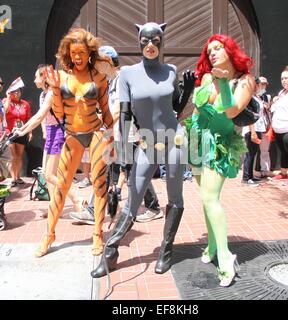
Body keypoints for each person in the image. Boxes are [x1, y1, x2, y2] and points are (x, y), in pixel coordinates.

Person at [91, 22, 195, 278]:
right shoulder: (127, 75)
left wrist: (188, 90)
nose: (150, 45)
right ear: (139, 42)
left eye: (155, 40)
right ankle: (110, 252)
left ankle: (166, 251)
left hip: (174, 139)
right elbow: (125, 115)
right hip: (147, 143)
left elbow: (176, 109)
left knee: (175, 197)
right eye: (145, 40)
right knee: (133, 197)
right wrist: (124, 152)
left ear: (161, 42)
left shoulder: (171, 70)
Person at [34, 27, 114, 258]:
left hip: (97, 132)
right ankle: (49, 234)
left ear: (89, 52)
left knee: (99, 185)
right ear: (68, 53)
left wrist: (114, 142)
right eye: (74, 52)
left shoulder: (99, 78)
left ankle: (98, 234)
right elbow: (59, 113)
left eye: (82, 52)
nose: (78, 57)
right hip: (73, 134)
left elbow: (107, 112)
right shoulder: (62, 78)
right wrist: (56, 89)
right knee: (61, 186)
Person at [186, 34, 255, 286]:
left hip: (221, 144)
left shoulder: (245, 80)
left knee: (209, 197)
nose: (212, 52)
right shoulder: (206, 77)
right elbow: (196, 108)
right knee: (205, 198)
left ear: (230, 51)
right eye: (209, 50)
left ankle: (226, 258)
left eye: (218, 48)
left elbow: (232, 110)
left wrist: (224, 82)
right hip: (197, 140)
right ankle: (212, 246)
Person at [70, 45, 164, 224]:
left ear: (108, 62)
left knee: (130, 171)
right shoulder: (108, 82)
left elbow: (120, 108)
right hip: (116, 134)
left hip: (129, 134)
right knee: (116, 170)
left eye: (97, 62)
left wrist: (101, 124)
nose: (94, 66)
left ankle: (152, 207)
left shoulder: (122, 78)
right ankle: (95, 210)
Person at [13, 65, 83, 215]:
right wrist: (24, 130)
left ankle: (77, 198)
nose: (33, 80)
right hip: (51, 133)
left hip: (58, 133)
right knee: (46, 174)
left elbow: (39, 116)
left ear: (44, 77)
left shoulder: (52, 93)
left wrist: (22, 131)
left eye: (36, 77)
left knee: (52, 175)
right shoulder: (43, 95)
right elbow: (42, 118)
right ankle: (54, 206)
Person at [2, 77, 32, 187]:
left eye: (18, 91)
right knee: (12, 155)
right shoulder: (6, 101)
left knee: (19, 155)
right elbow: (4, 112)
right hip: (9, 132)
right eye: (14, 91)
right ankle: (13, 178)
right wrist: (8, 97)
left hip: (21, 132)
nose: (16, 93)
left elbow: (29, 118)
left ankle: (18, 176)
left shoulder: (25, 104)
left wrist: (30, 132)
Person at [253, 76, 273, 179]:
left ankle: (265, 170)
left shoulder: (267, 97)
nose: (263, 86)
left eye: (265, 84)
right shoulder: (252, 96)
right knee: (253, 150)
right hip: (255, 126)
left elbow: (269, 111)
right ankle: (252, 171)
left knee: (265, 150)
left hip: (265, 126)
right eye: (261, 83)